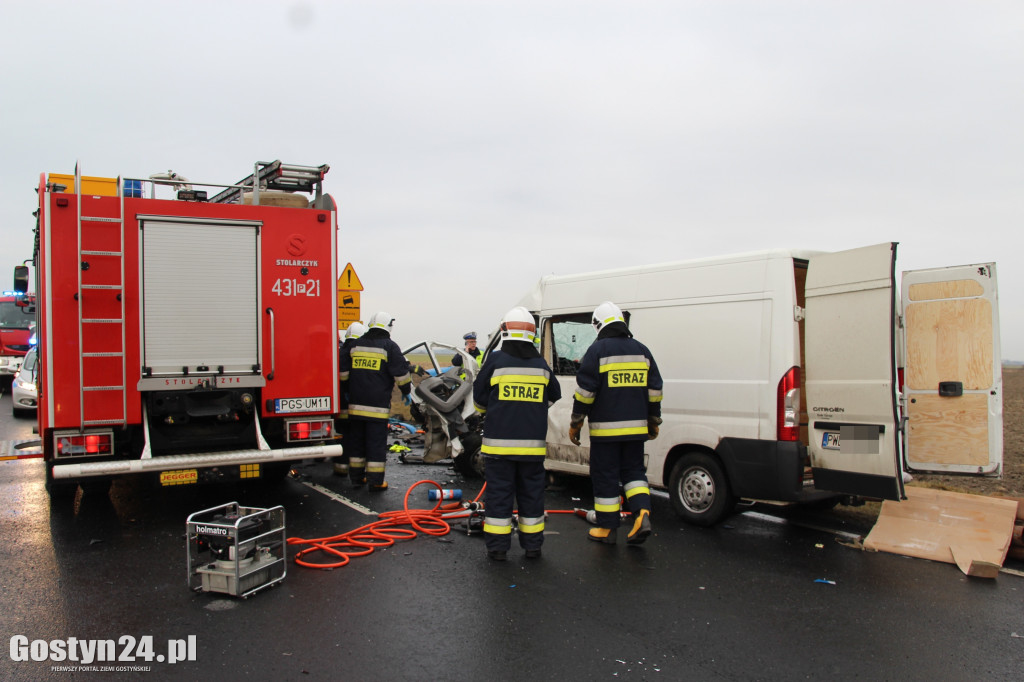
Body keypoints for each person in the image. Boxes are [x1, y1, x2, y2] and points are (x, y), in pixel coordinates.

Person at [568, 301, 663, 545]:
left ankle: (607, 528)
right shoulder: (642, 350)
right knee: (634, 473)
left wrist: (576, 422)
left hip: (606, 432)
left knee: (605, 475)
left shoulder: (597, 350)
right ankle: (642, 513)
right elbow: (655, 390)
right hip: (636, 431)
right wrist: (653, 420)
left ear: (597, 324)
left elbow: (585, 393)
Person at [473, 307, 560, 560]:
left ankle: (498, 548)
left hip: (498, 450)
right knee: (531, 496)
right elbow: (553, 396)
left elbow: (479, 400)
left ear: (504, 330)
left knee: (499, 496)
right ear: (532, 333)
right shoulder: (540, 365)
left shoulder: (495, 361)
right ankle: (532, 547)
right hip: (532, 450)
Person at [339, 311, 412, 491]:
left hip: (355, 406)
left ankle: (357, 479)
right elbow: (401, 376)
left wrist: (347, 389)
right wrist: (406, 391)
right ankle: (376, 481)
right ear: (388, 326)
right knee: (375, 445)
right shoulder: (390, 347)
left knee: (357, 444)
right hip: (377, 409)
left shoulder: (355, 345)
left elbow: (343, 373)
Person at [334, 321, 367, 476]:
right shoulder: (358, 353)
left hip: (339, 404)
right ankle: (356, 471)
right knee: (356, 438)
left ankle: (340, 467)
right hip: (354, 404)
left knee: (342, 437)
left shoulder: (339, 352)